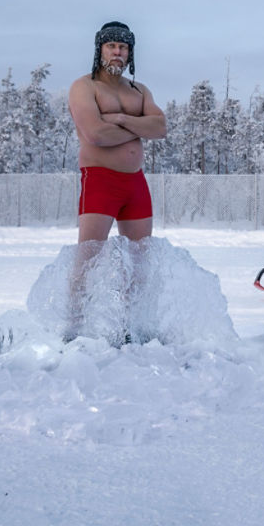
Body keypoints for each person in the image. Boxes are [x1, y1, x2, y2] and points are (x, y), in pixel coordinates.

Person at [65, 21, 167, 340]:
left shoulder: (139, 91)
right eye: (111, 46)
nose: (117, 52)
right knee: (88, 257)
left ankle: (128, 326)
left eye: (123, 47)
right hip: (100, 181)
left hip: (136, 184)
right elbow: (95, 134)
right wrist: (140, 126)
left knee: (139, 261)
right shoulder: (85, 87)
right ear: (100, 49)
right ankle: (74, 328)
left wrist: (121, 119)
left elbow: (161, 128)